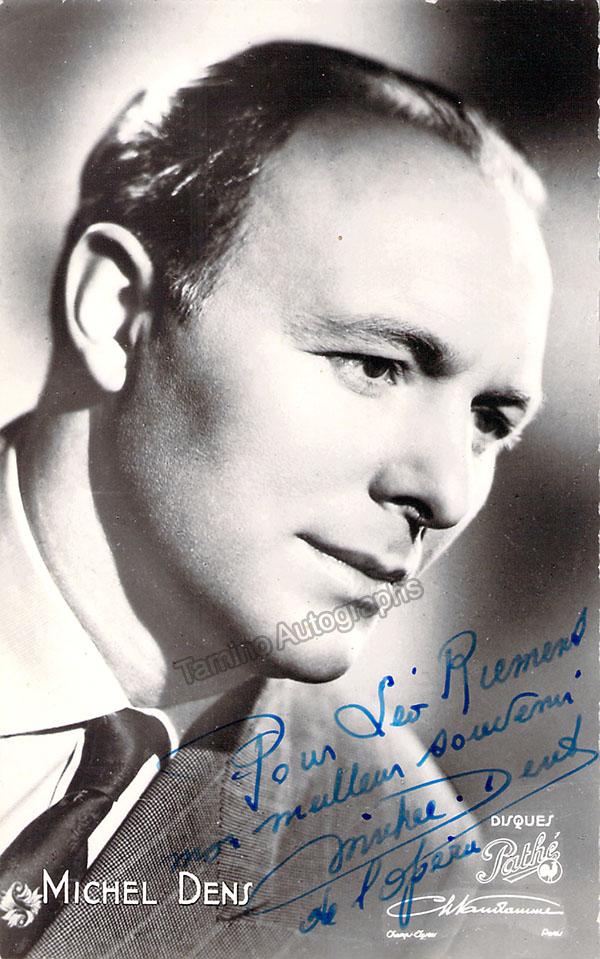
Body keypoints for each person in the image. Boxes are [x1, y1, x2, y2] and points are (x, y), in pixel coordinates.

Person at [0, 41, 551, 959]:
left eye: (489, 421)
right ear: (116, 306)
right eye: (374, 365)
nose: (445, 491)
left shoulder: (407, 883)